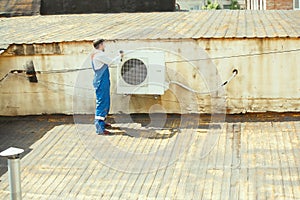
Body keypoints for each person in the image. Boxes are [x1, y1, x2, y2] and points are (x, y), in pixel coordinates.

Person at [91, 39, 122, 135]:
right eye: (104, 44)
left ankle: (102, 122)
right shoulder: (100, 55)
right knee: (102, 103)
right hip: (101, 82)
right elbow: (112, 62)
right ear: (100, 45)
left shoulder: (94, 54)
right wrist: (120, 57)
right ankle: (99, 128)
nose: (105, 46)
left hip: (101, 80)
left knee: (105, 102)